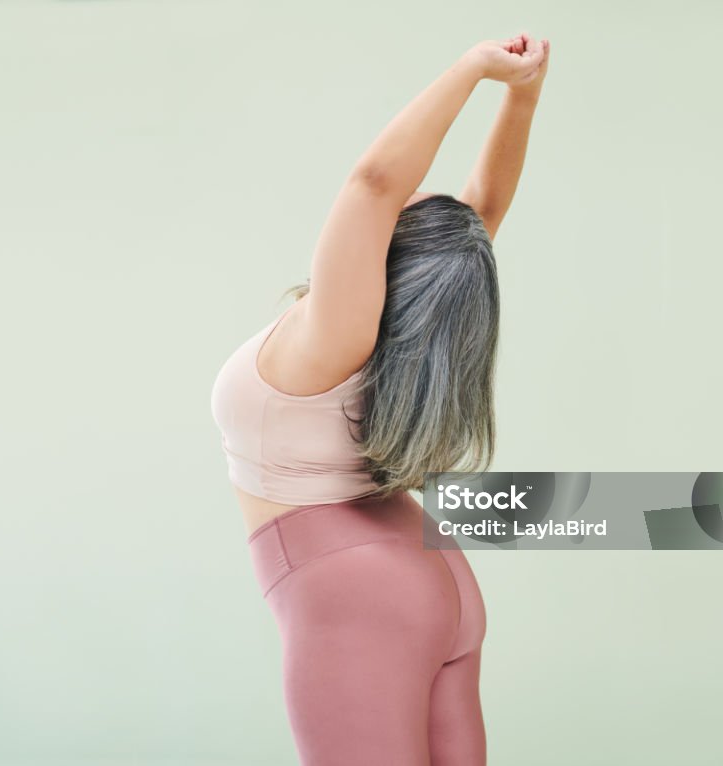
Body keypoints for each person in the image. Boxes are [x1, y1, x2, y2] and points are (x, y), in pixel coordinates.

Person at [211, 32, 550, 766]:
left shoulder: (337, 335)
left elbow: (372, 184)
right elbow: (481, 211)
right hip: (433, 574)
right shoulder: (413, 328)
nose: (426, 191)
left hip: (355, 594)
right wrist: (524, 95)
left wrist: (475, 68)